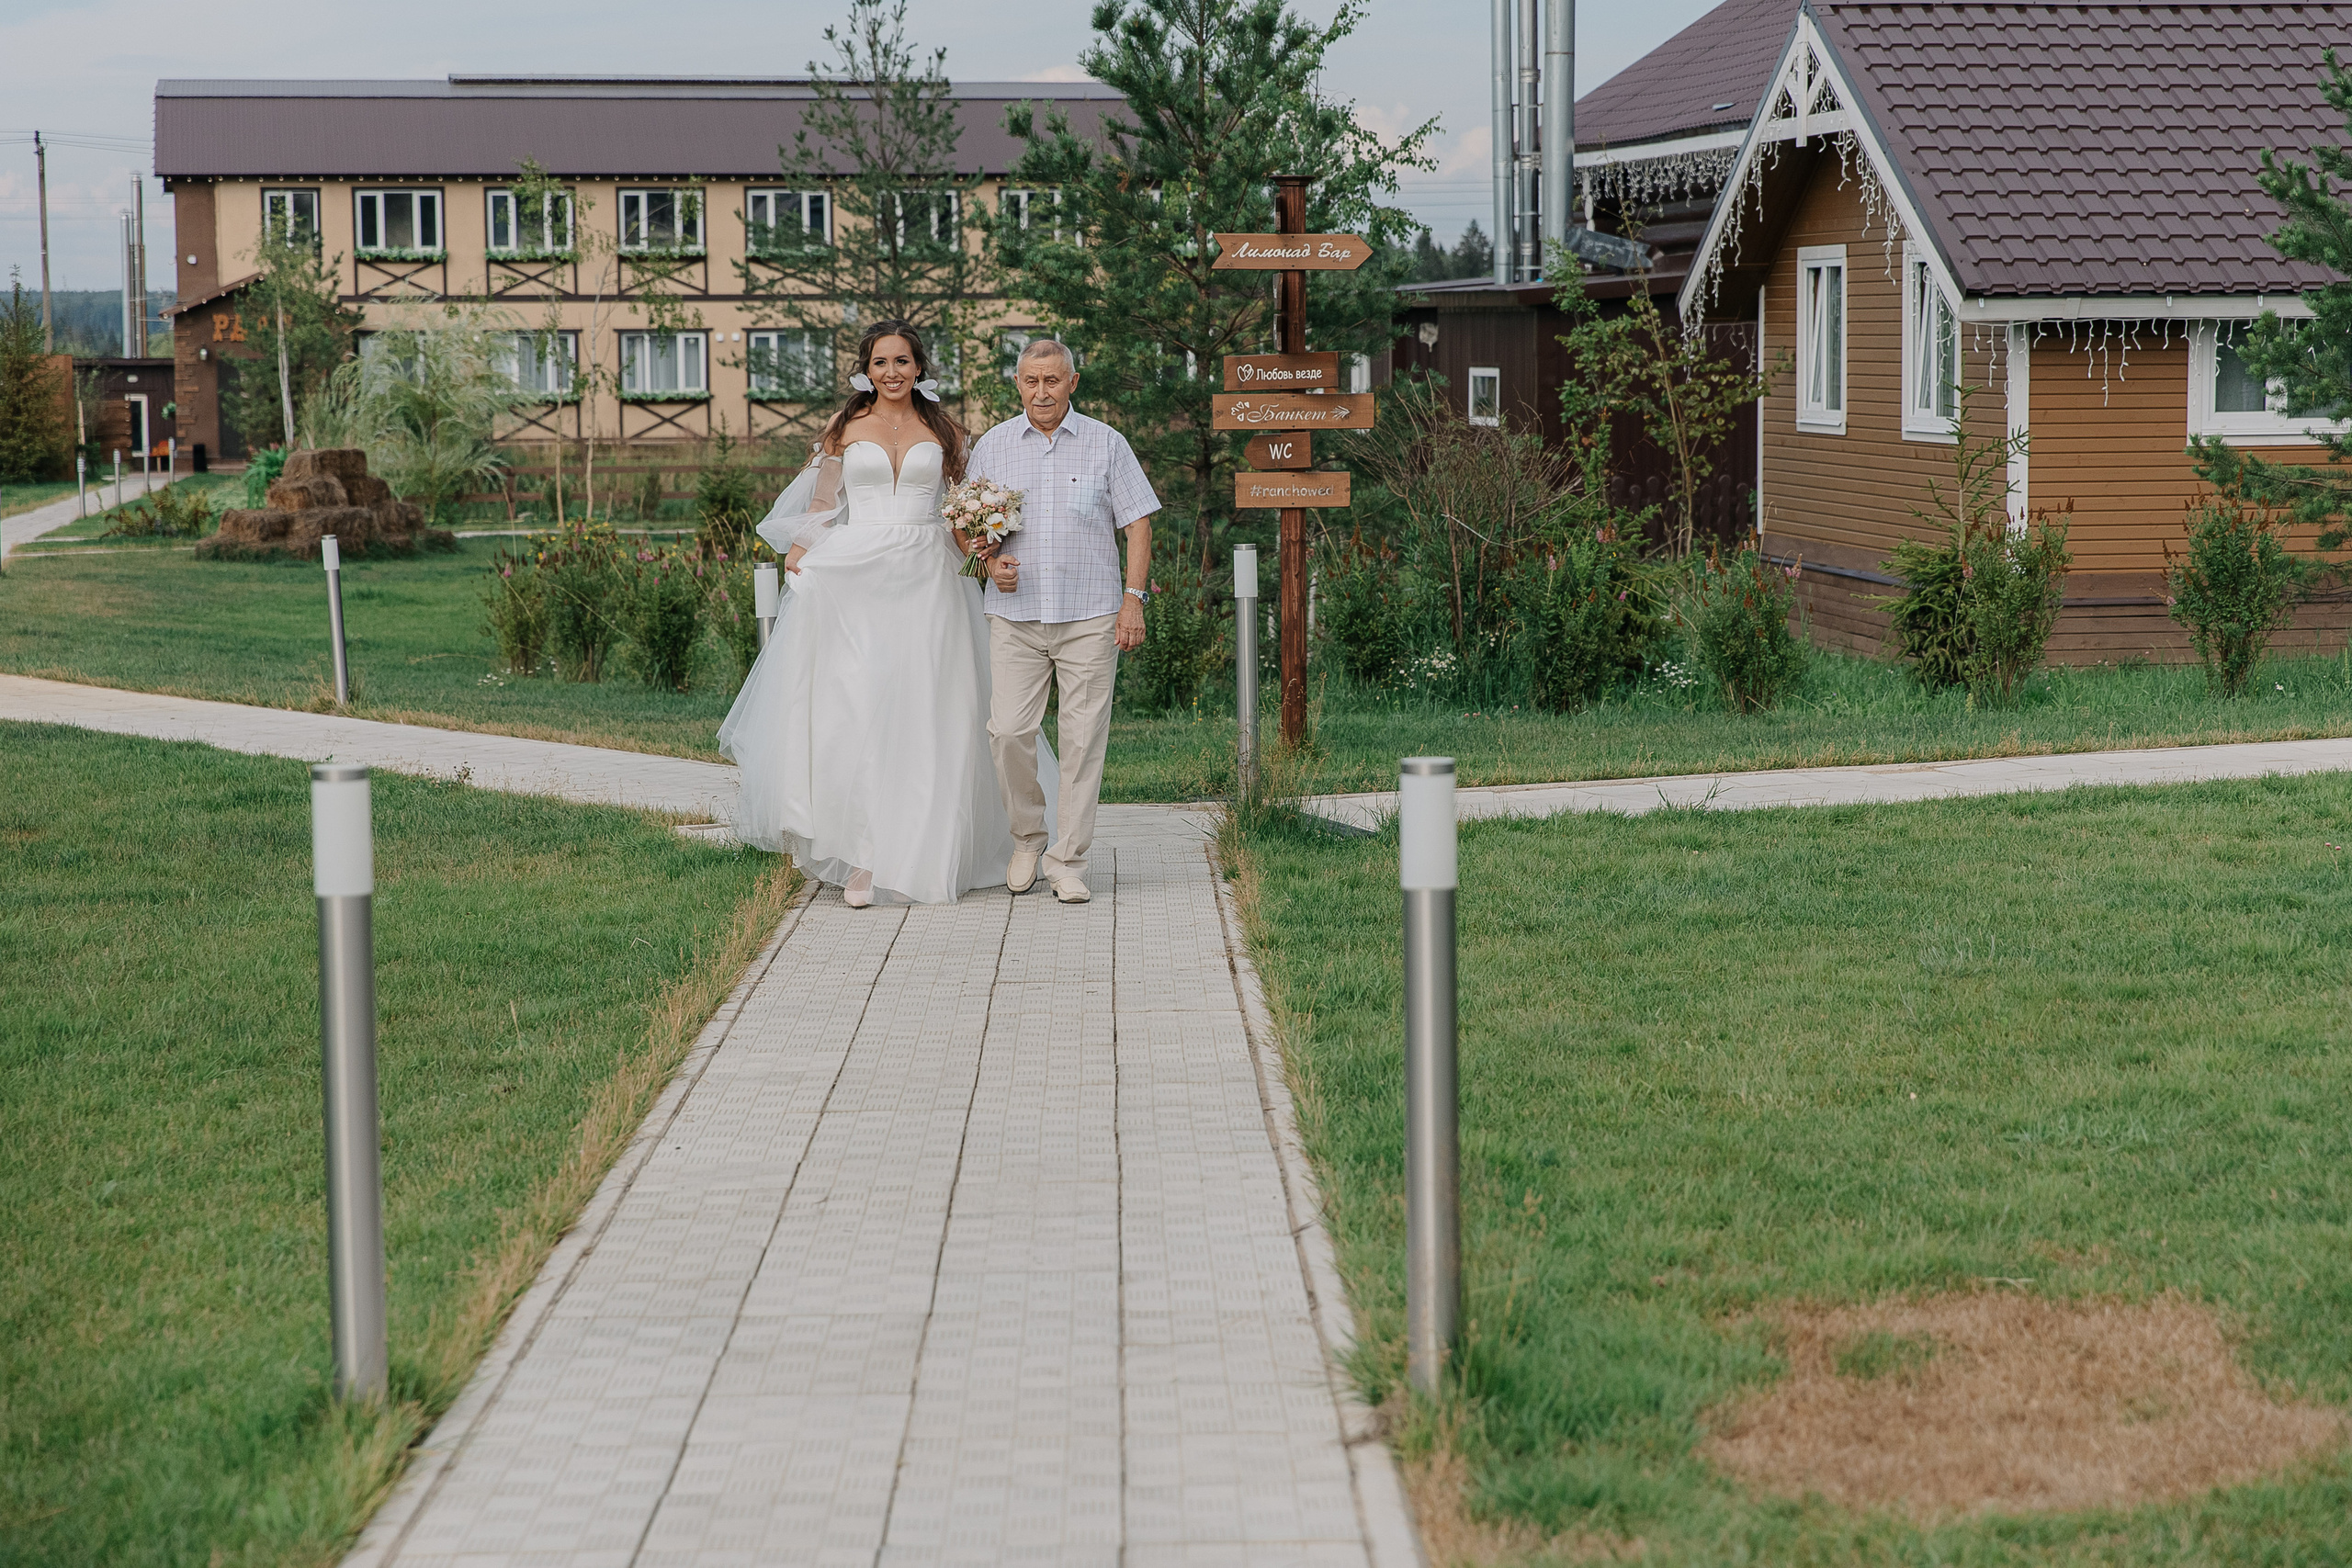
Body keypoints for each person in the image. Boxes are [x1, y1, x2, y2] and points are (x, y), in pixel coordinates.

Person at [718, 321, 1012, 906]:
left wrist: (982, 544)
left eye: (903, 362)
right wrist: (802, 548)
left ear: (920, 367)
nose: (893, 373)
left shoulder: (947, 430)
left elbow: (959, 509)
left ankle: (936, 848)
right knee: (856, 706)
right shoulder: (844, 426)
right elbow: (826, 499)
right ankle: (861, 857)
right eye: (881, 363)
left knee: (932, 706)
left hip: (929, 574)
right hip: (859, 571)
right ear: (866, 369)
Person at [968, 339, 1161, 905]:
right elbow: (971, 525)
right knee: (1008, 733)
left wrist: (1134, 600)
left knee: (1081, 741)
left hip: (1091, 616)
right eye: (1031, 380)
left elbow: (1139, 526)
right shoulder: (995, 446)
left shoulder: (1107, 443)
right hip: (1016, 616)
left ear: (1072, 383)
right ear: (1018, 384)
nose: (1042, 392)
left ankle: (1068, 860)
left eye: (1053, 380)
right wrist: (988, 559)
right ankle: (1027, 838)